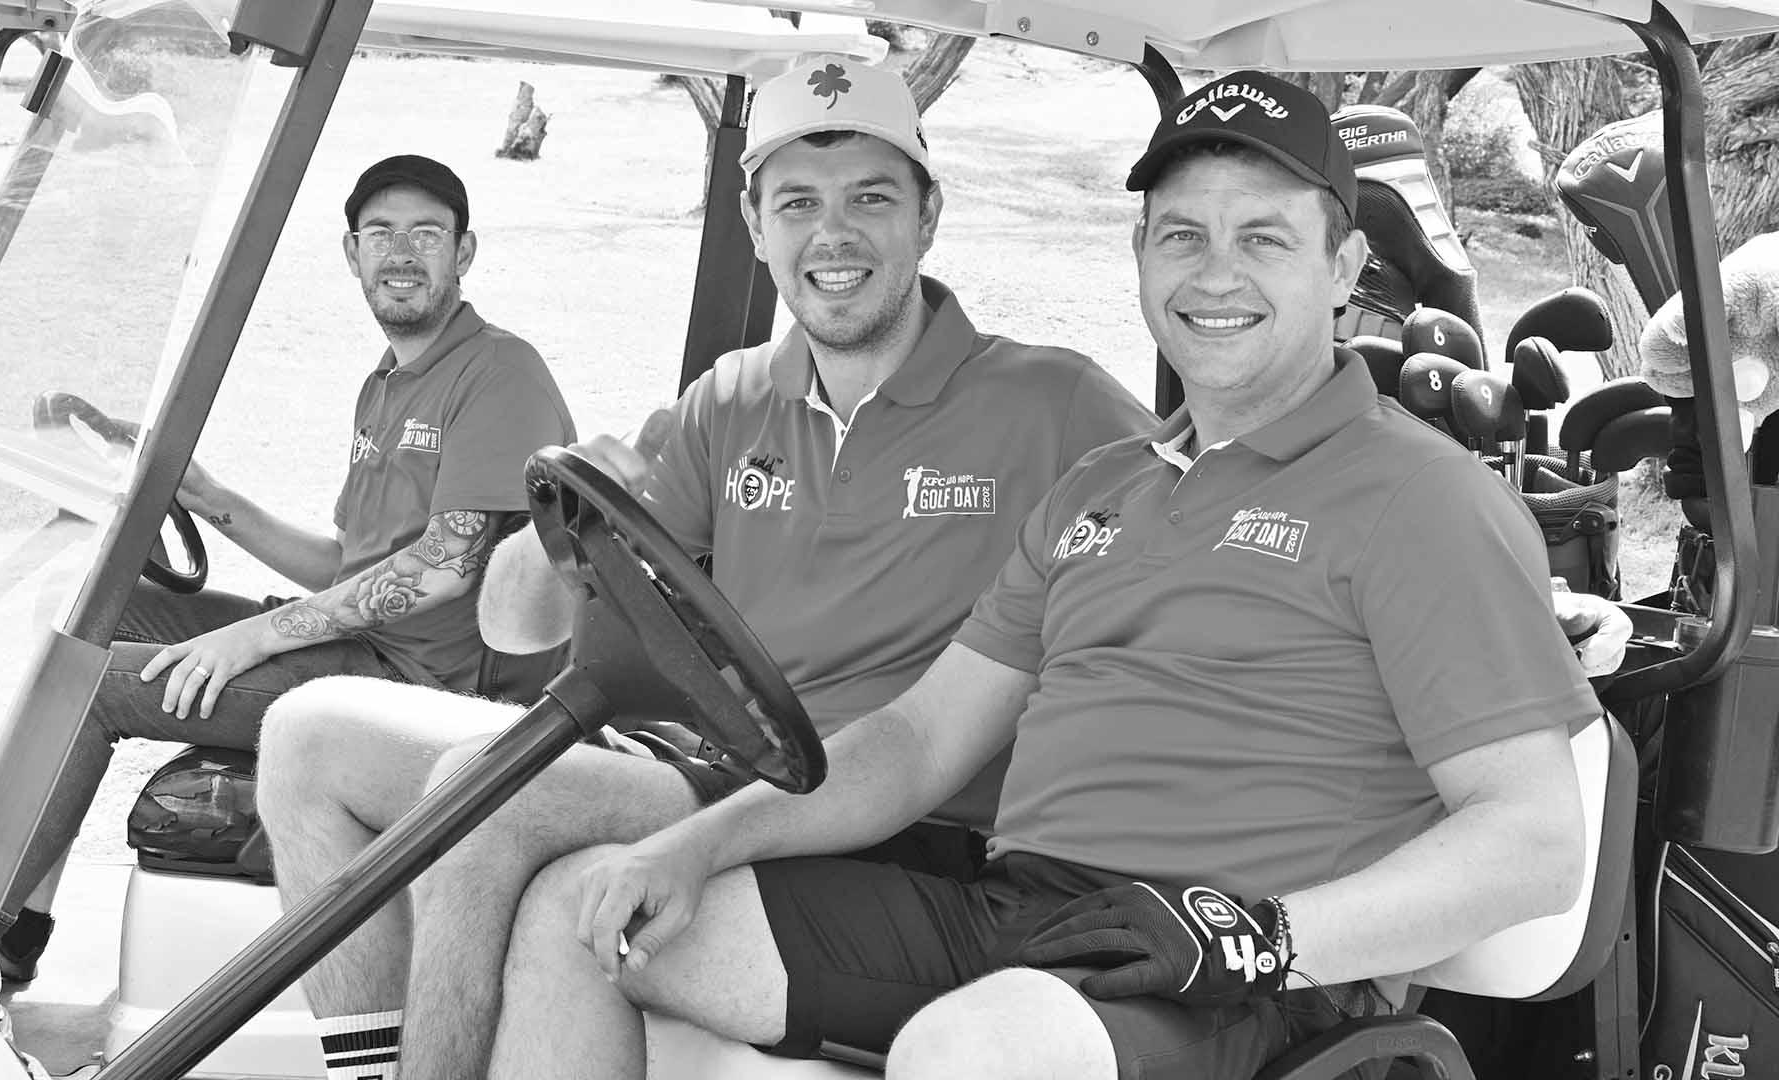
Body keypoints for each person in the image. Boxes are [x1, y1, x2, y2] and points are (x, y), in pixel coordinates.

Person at [488, 70, 1602, 1080]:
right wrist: (693, 845)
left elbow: (1535, 843)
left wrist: (1254, 938)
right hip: (1019, 912)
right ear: (1141, 255)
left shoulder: (1424, 495)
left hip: (1245, 975)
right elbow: (919, 740)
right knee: (588, 914)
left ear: (1343, 266)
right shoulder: (1101, 488)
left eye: (1263, 238)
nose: (1215, 273)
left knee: (978, 1049)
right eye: (1182, 236)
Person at [254, 57, 1156, 1080]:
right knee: (305, 735)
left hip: (895, 819)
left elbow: (1195, 522)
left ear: (928, 215)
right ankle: (375, 1068)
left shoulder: (1051, 402)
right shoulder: (730, 402)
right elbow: (513, 624)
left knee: (482, 793)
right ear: (754, 224)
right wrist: (559, 529)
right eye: (798, 203)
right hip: (719, 769)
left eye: (870, 198)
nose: (833, 235)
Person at [0, 154, 576, 982]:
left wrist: (257, 637)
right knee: (90, 615)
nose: (402, 253)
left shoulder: (499, 373)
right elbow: (348, 565)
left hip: (426, 692)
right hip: (365, 648)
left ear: (464, 252)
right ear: (352, 254)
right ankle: (21, 925)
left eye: (426, 234)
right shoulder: (387, 384)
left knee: (91, 687)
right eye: (381, 233)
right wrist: (213, 499)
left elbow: (445, 564)